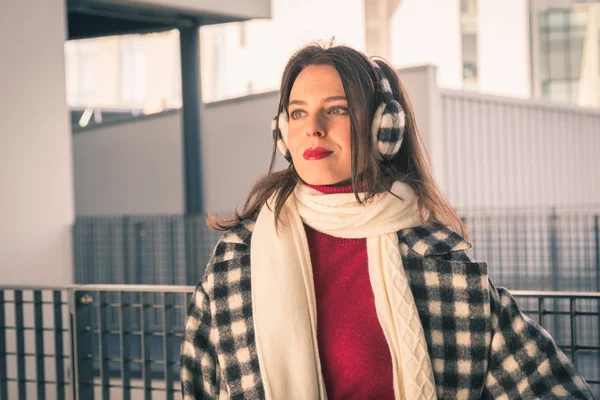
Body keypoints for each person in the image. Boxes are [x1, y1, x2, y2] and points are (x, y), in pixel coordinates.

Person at [180, 43, 595, 400]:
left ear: (384, 127)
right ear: (282, 133)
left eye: (336, 109)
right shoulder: (237, 260)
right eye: (298, 112)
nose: (313, 129)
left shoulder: (441, 263)